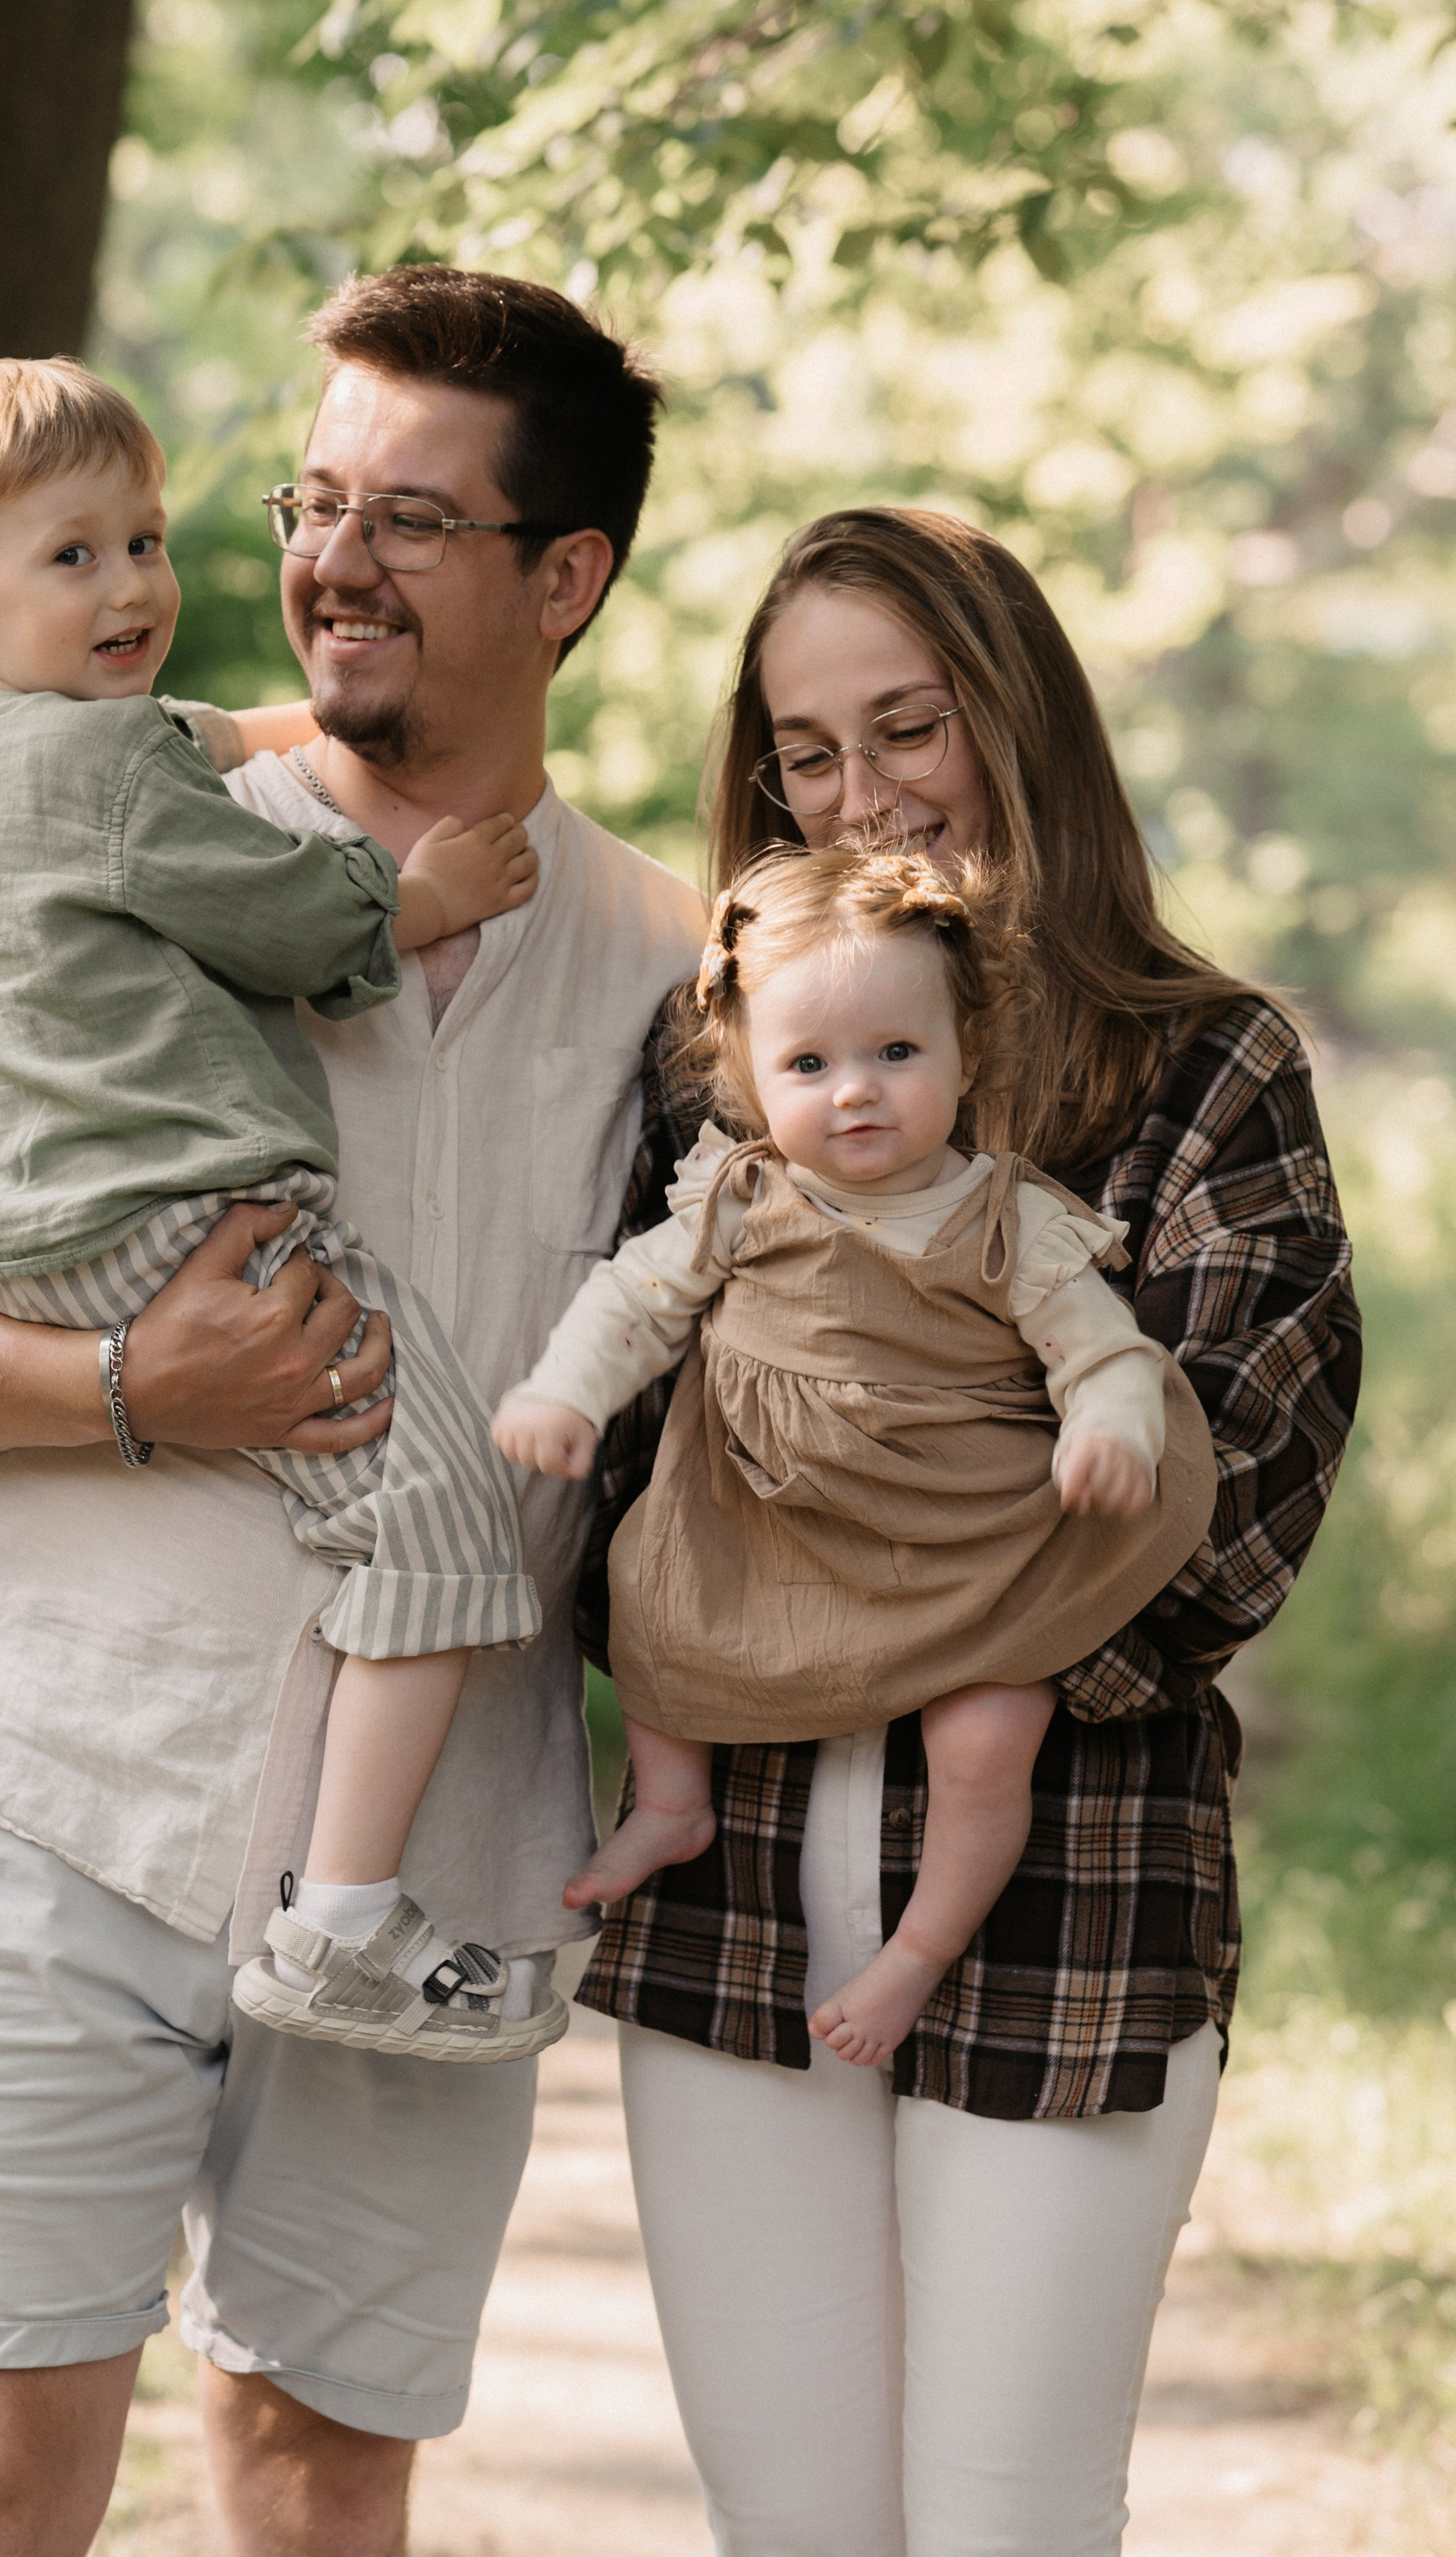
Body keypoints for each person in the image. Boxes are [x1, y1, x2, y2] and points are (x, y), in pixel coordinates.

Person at [0, 266, 706, 2557]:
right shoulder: (105, 826)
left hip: (425, 1853)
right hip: (43, 1765)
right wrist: (114, 1381)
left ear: (563, 578)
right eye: (312, 498)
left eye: (412, 516)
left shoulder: (678, 971)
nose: (329, 559)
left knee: (315, 2478)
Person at [573, 506, 1360, 2557]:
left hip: (1070, 1894)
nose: (858, 791)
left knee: (1005, 2539)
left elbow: (1215, 1521)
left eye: (905, 726)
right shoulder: (723, 1061)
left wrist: (796, 1576)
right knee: (796, 2535)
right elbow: (617, 1475)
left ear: (1016, 719)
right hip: (731, 1899)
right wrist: (953, 1539)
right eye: (802, 755)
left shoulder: (1207, 1069)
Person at [0, 352, 563, 2064]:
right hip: (180, 1207)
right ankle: (346, 1919)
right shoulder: (123, 788)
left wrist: (276, 729)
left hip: (14, 1216)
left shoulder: (1, 757)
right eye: (76, 558)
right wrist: (408, 895)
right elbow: (273, 915)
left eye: (141, 540)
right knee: (437, 1515)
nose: (133, 583)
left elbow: (174, 745)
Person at [494, 843, 1218, 2066]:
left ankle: (913, 1958)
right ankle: (671, 1804)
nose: (855, 1093)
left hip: (964, 1536)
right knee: (648, 1602)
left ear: (964, 1055)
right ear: (745, 1076)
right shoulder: (734, 1195)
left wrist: (1106, 1428)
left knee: (988, 1739)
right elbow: (632, 1303)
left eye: (895, 1053)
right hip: (767, 1516)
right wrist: (566, 1392)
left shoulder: (1005, 1214)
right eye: (808, 1065)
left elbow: (1098, 1346)